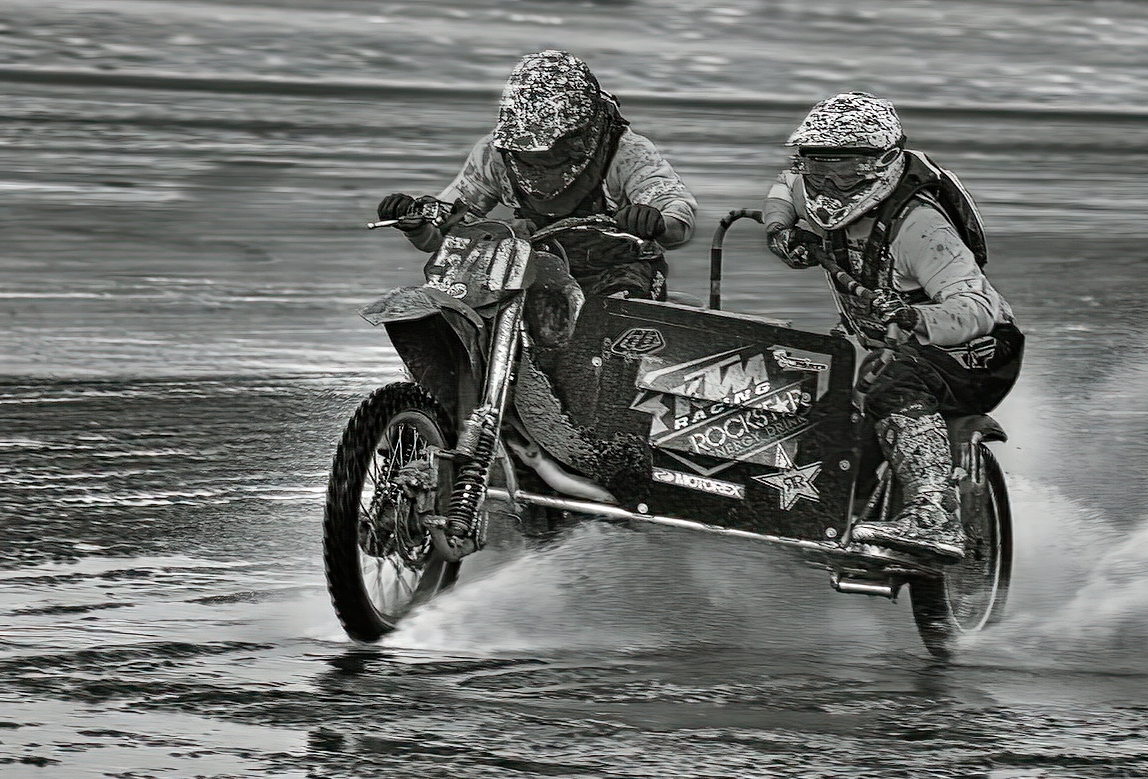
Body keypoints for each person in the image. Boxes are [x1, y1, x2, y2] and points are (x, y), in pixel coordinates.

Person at [762, 92, 1023, 563]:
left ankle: (934, 516)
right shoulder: (805, 187)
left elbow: (978, 306)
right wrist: (780, 229)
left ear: (882, 163)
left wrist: (916, 318)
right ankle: (825, 514)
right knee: (821, 398)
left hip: (979, 348)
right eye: (818, 168)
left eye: (845, 170)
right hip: (890, 349)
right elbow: (784, 186)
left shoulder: (922, 227)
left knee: (891, 390)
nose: (828, 184)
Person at [377, 50, 697, 301]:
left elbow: (677, 218)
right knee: (455, 286)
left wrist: (653, 220)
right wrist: (417, 223)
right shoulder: (494, 154)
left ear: (578, 135)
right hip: (529, 268)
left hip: (618, 270)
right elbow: (449, 227)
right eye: (523, 144)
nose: (531, 154)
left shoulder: (626, 151)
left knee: (616, 319)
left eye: (543, 145)